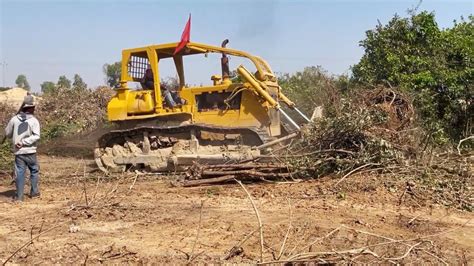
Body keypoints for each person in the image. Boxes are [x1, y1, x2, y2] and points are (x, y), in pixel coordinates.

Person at [4, 95, 41, 201]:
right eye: (33, 107)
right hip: (30, 151)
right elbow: (36, 136)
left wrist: (19, 140)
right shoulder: (34, 121)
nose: (34, 109)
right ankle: (34, 192)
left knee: (20, 173)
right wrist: (25, 142)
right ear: (30, 108)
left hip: (19, 152)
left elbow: (7, 133)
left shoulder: (14, 119)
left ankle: (19, 197)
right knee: (34, 170)